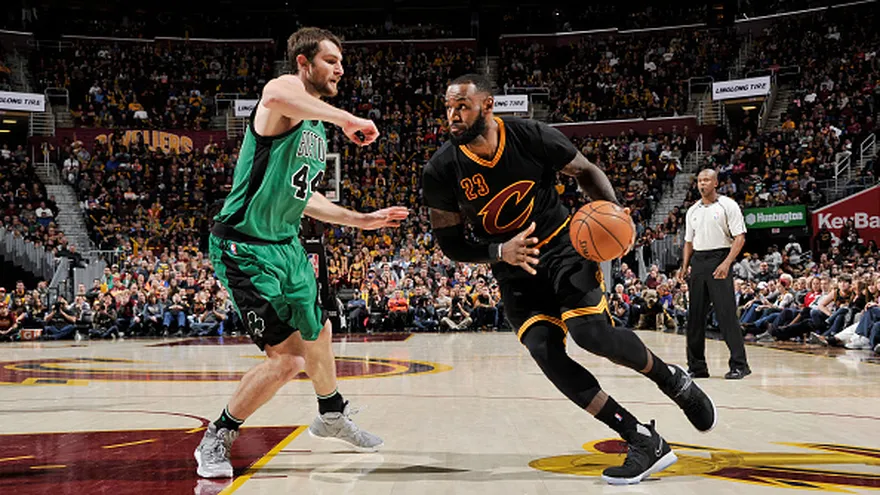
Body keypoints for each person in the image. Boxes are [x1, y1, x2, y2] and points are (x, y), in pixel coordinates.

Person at [422, 74, 715, 486]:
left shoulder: (529, 135)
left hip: (562, 248)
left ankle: (673, 381)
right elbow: (450, 242)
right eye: (449, 108)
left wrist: (614, 211)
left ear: (488, 106)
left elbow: (585, 171)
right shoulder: (440, 169)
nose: (452, 116)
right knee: (544, 350)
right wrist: (497, 252)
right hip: (513, 267)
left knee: (590, 334)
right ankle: (640, 438)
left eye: (462, 107)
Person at [195, 27, 410, 479]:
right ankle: (218, 434)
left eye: (341, 62)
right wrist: (345, 118)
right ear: (304, 62)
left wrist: (360, 218)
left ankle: (331, 414)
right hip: (244, 246)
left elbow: (301, 196)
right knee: (289, 358)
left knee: (320, 330)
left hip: (287, 245)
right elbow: (274, 94)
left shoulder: (313, 125)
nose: (339, 68)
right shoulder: (287, 96)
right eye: (330, 60)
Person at [678, 168, 750, 379]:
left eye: (707, 180)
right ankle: (697, 367)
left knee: (726, 315)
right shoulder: (693, 210)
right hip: (699, 261)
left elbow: (740, 238)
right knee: (695, 317)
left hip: (720, 257)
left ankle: (739, 365)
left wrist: (727, 262)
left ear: (716, 183)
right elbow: (688, 242)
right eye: (700, 180)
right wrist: (684, 266)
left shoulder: (728, 205)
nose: (702, 184)